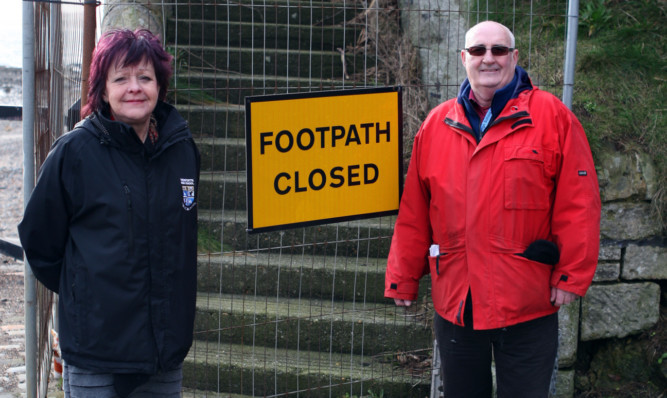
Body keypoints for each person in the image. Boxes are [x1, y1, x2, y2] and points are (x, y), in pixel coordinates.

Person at [385, 21, 600, 397]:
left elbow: (579, 201)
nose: (489, 59)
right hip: (458, 302)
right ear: (463, 59)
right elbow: (415, 210)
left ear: (514, 58)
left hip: (526, 302)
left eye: (499, 50)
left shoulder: (552, 117)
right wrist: (403, 275)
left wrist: (570, 274)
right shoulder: (436, 125)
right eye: (479, 50)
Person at [18, 28, 200, 397]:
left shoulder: (182, 149)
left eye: (145, 77)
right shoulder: (75, 152)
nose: (134, 87)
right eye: (121, 78)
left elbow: (182, 241)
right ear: (102, 90)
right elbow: (40, 241)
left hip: (163, 351)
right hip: (96, 352)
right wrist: (85, 295)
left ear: (160, 86)